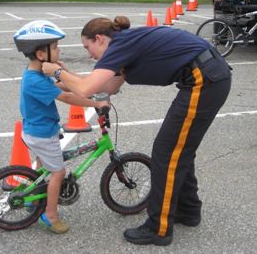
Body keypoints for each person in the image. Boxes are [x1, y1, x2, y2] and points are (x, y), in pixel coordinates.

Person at [42, 16, 232, 245]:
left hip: (205, 79)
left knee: (166, 151)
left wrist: (57, 72)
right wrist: (55, 82)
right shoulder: (123, 47)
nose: (89, 55)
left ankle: (158, 229)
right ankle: (188, 211)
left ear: (100, 39)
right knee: (178, 150)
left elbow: (86, 88)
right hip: (207, 77)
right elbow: (105, 87)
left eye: (88, 47)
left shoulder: (120, 45)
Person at [13, 20, 109, 234]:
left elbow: (65, 85)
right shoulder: (36, 81)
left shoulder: (36, 73)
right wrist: (96, 104)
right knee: (58, 172)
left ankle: (32, 198)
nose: (59, 50)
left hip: (38, 130)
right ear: (40, 54)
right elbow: (66, 96)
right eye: (55, 47)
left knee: (42, 165)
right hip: (41, 134)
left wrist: (73, 78)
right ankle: (50, 215)